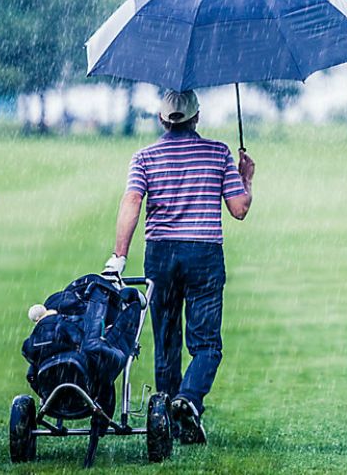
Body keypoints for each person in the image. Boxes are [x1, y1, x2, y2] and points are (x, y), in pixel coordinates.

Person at [102, 89, 254, 445]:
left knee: (166, 340)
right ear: (197, 117)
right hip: (204, 255)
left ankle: (167, 415)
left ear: (161, 119)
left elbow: (132, 202)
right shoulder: (218, 153)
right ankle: (190, 398)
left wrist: (119, 256)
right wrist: (245, 176)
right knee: (206, 345)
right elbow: (240, 209)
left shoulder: (145, 157)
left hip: (160, 255)